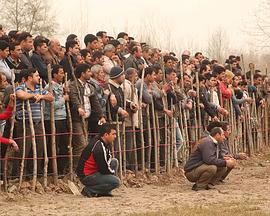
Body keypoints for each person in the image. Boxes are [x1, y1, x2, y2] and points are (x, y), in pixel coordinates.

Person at [76, 123, 121, 197]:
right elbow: (104, 169)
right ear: (106, 135)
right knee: (116, 182)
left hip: (94, 171)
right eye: (113, 134)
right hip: (87, 175)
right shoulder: (98, 147)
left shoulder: (103, 142)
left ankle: (105, 191)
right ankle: (89, 190)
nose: (115, 136)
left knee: (114, 162)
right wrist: (113, 174)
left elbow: (108, 159)